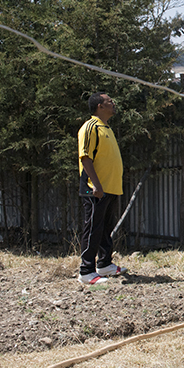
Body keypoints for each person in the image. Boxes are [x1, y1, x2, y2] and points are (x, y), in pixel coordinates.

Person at [77, 92, 128, 285]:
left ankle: (105, 264)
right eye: (109, 102)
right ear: (100, 106)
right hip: (95, 189)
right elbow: (85, 157)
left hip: (110, 187)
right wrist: (96, 184)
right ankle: (86, 270)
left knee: (105, 228)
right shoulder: (90, 127)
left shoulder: (106, 128)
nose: (113, 104)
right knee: (92, 228)